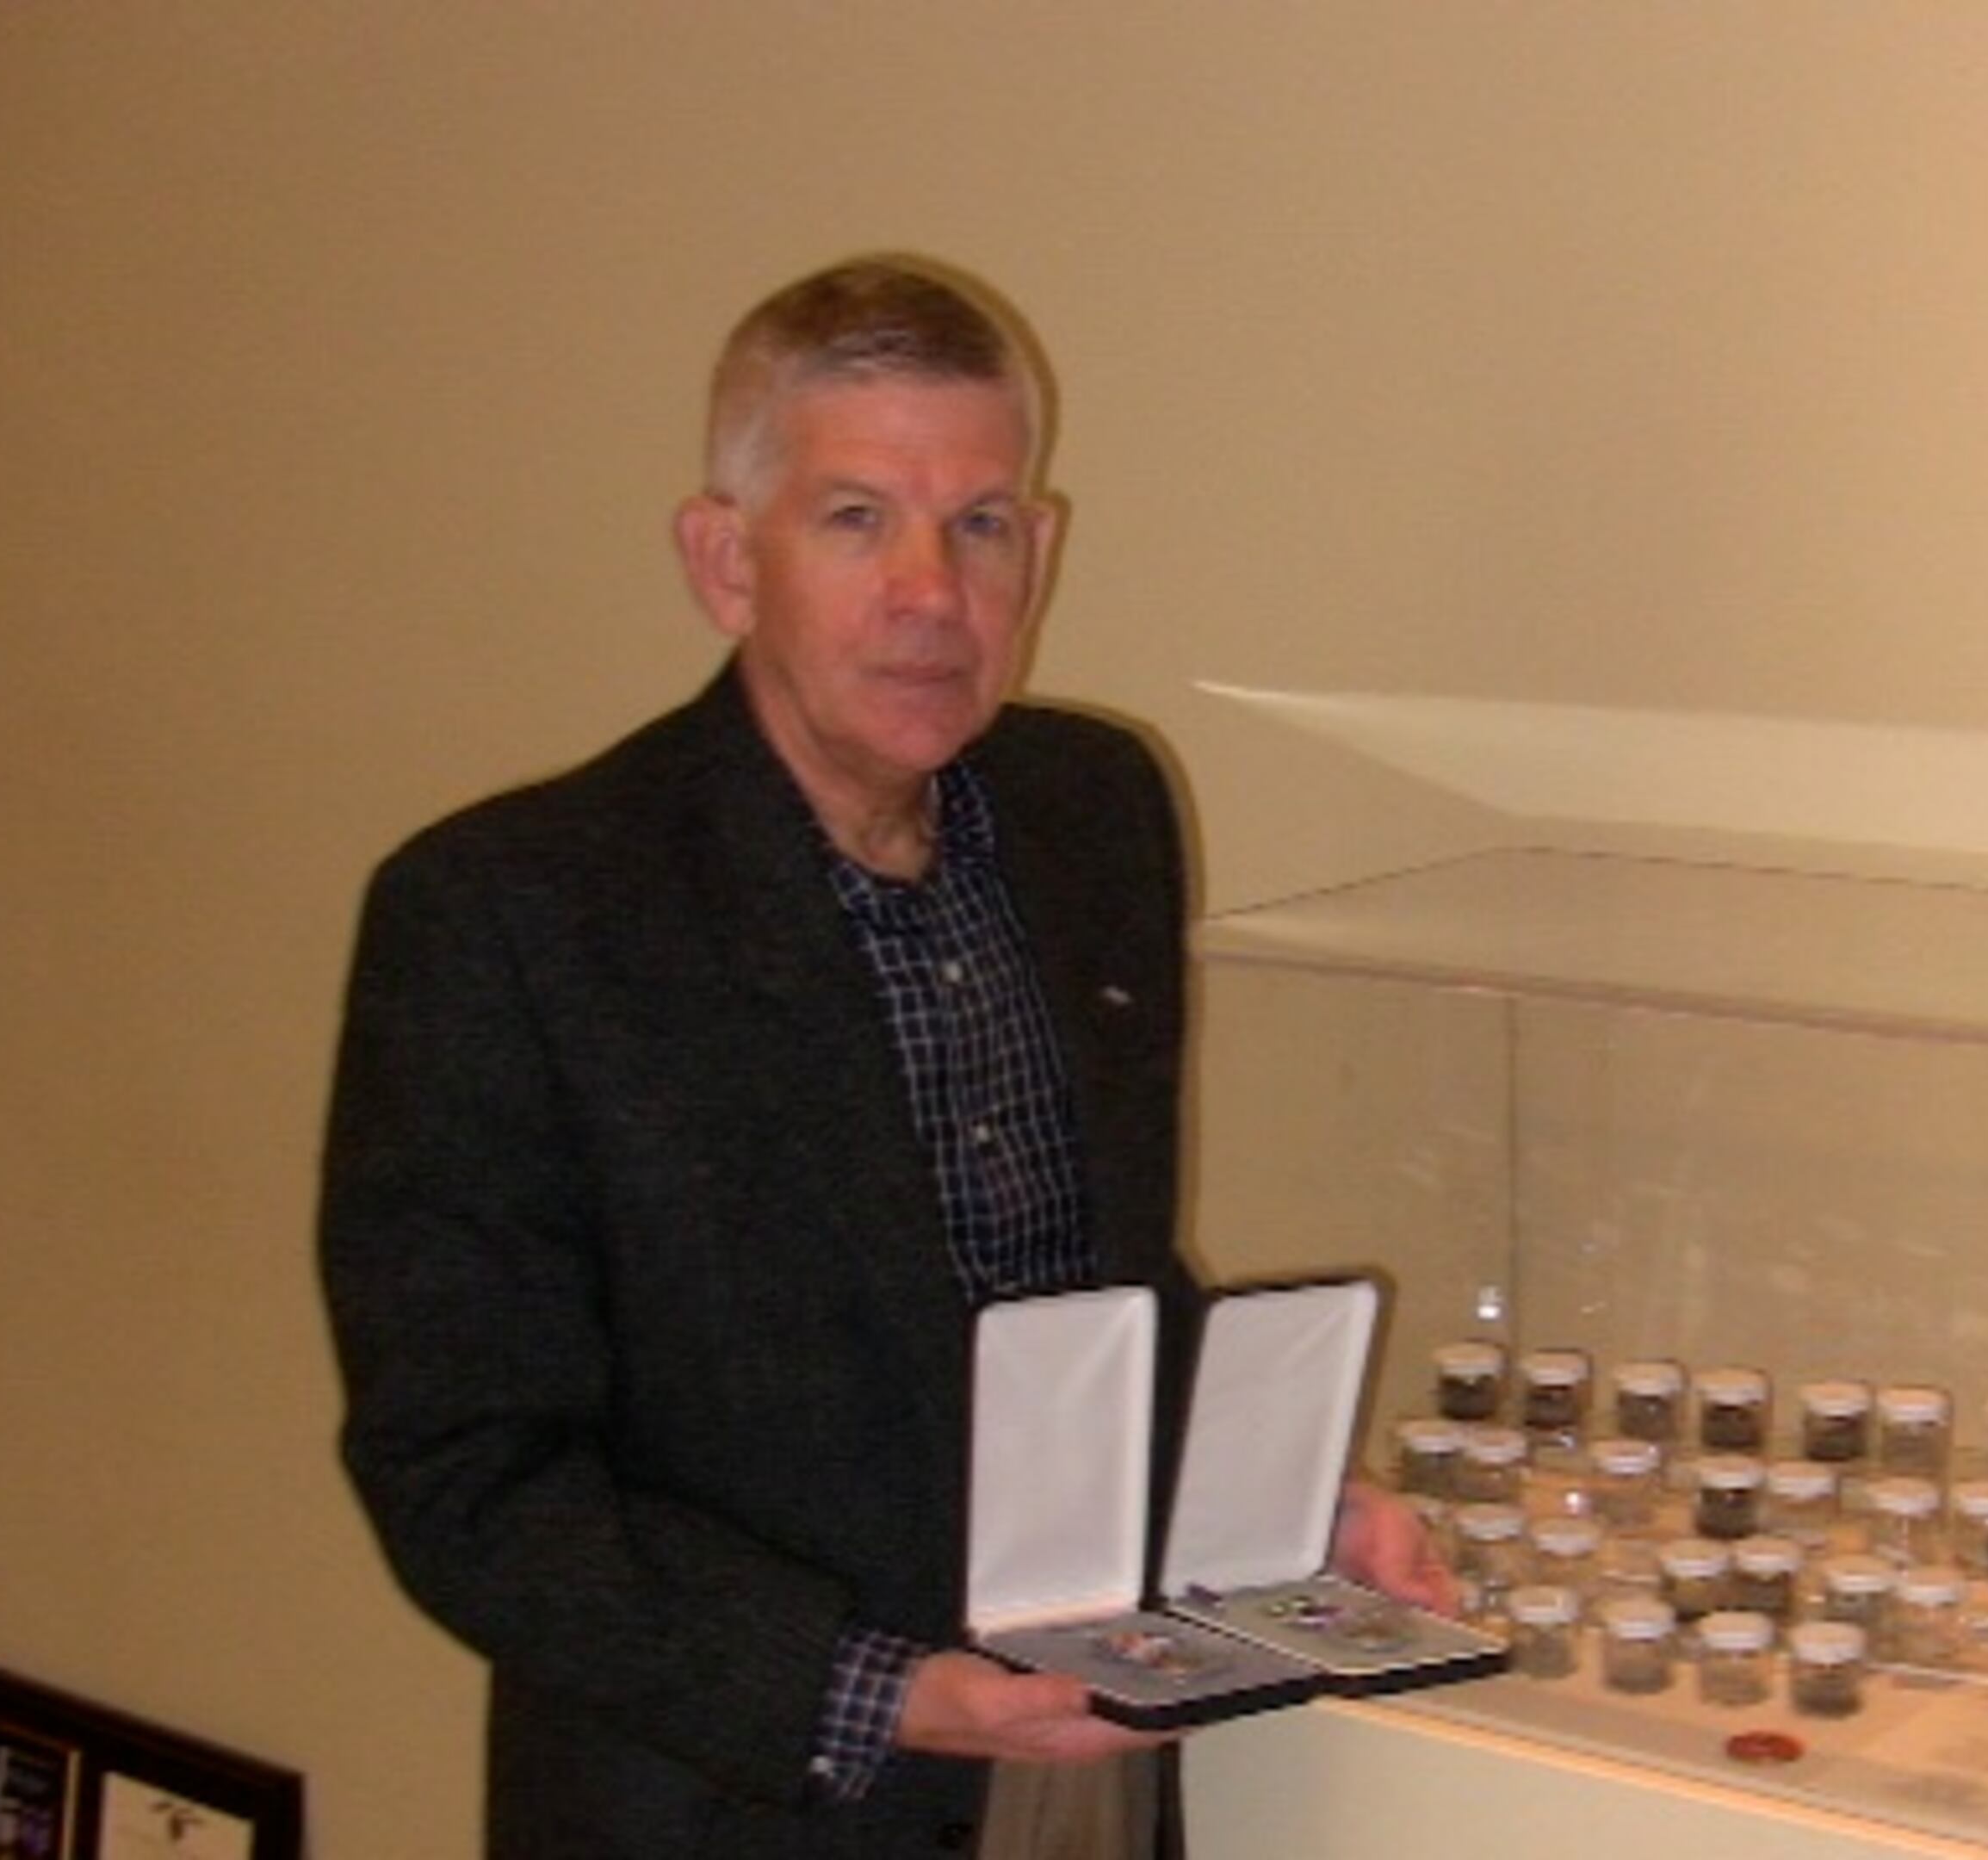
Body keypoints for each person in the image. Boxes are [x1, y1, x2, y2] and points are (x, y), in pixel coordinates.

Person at [319, 256, 1450, 1859]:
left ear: (1039, 551)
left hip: (1084, 1762)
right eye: (856, 519)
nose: (932, 592)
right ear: (726, 561)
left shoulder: (1094, 810)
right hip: (742, 1806)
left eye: (979, 524)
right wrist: (884, 1696)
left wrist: (1278, 1503)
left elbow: (1089, 1281)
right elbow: (465, 1474)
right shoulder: (513, 914)